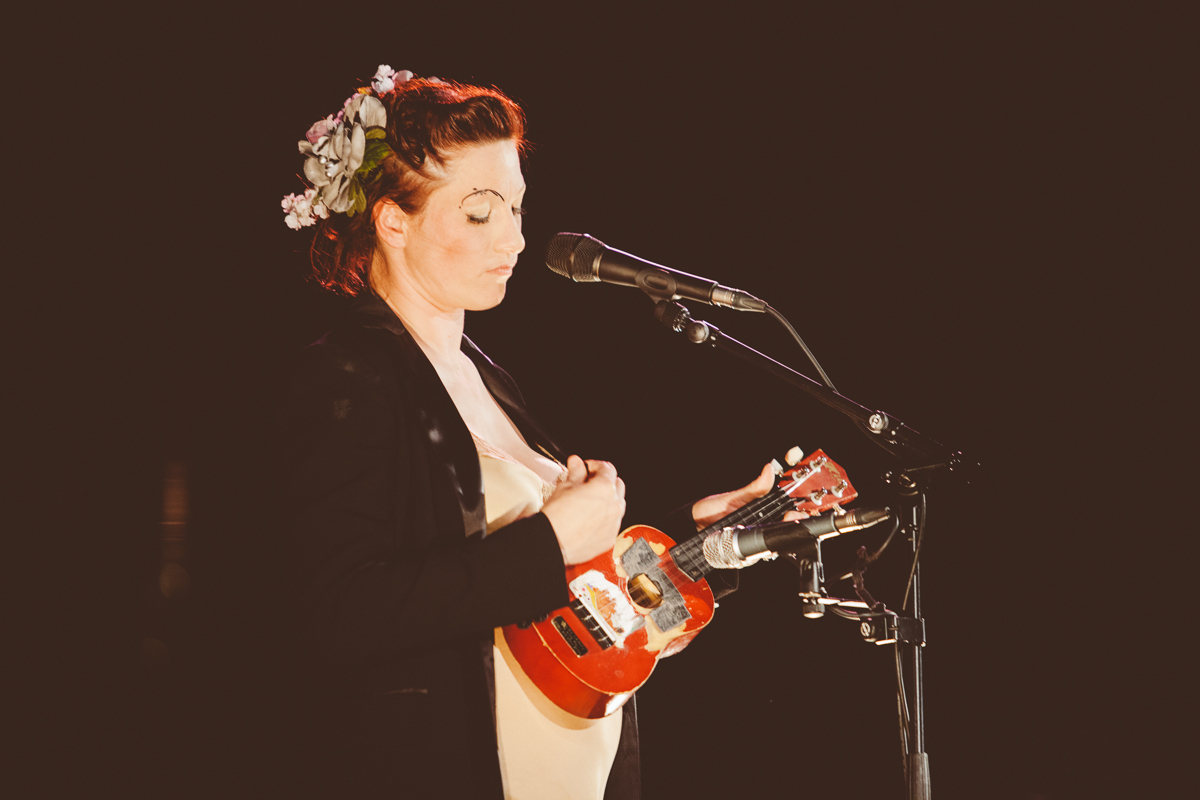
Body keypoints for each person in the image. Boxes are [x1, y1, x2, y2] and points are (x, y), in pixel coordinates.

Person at [276, 66, 799, 800]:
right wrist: (555, 538)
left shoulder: (490, 380)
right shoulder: (349, 378)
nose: (516, 240)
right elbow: (339, 616)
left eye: (518, 209)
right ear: (394, 220)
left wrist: (695, 540)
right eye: (481, 212)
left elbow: (541, 608)